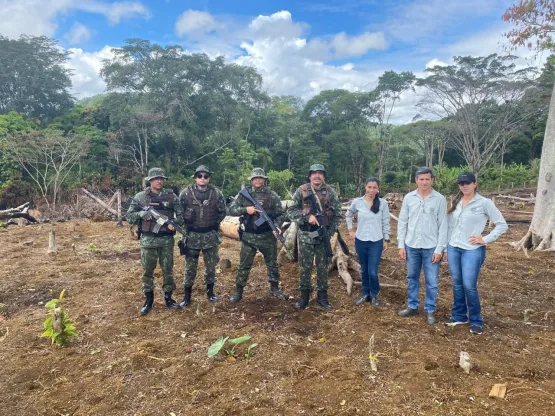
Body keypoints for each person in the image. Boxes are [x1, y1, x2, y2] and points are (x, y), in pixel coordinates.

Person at [444, 172, 508, 335]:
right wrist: (445, 247)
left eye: (467, 183)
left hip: (472, 250)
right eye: (461, 183)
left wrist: (485, 239)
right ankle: (459, 315)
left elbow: (502, 225)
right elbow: (450, 226)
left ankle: (476, 320)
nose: (464, 186)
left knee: (469, 286)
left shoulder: (484, 203)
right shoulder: (456, 201)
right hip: (454, 247)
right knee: (457, 283)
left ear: (475, 184)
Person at [126, 167, 184, 315]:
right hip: (148, 240)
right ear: (150, 180)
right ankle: (148, 300)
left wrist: (173, 223)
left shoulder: (171, 196)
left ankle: (168, 298)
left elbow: (182, 216)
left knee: (168, 270)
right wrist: (142, 213)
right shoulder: (140, 197)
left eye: (161, 178)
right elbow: (129, 217)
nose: (159, 181)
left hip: (166, 240)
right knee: (147, 271)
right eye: (156, 178)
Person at [228, 168, 287, 303]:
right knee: (244, 265)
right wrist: (245, 210)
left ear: (264, 180)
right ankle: (238, 291)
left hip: (267, 236)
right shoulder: (244, 194)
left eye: (260, 178)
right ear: (251, 180)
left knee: (272, 264)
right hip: (249, 236)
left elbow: (281, 213)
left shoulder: (272, 195)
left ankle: (274, 288)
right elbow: (231, 209)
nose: (258, 180)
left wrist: (277, 225)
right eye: (255, 178)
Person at [397, 167, 448, 325]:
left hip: (431, 247)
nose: (424, 182)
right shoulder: (409, 198)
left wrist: (440, 249)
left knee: (431, 280)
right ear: (416, 180)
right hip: (411, 245)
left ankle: (430, 309)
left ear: (432, 180)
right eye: (421, 179)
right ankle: (412, 306)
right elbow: (402, 222)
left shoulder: (439, 199)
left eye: (427, 179)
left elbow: (443, 225)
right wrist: (401, 245)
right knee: (412, 277)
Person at [287, 164, 342, 309]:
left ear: (323, 176)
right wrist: (307, 218)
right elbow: (291, 211)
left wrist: (328, 233)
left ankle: (322, 297)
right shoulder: (302, 190)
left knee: (323, 267)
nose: (317, 176)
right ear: (309, 176)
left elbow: (337, 215)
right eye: (314, 173)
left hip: (323, 237)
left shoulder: (330, 192)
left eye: (320, 173)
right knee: (305, 267)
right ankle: (304, 296)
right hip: (306, 236)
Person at [178, 165, 226, 306]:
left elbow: (223, 211)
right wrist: (185, 226)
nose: (202, 179)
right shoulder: (185, 193)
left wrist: (214, 225)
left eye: (205, 176)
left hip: (210, 235)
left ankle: (210, 293)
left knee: (210, 267)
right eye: (200, 176)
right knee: (190, 267)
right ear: (195, 177)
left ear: (209, 178)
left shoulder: (216, 193)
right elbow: (179, 213)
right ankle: (187, 296)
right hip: (192, 235)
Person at [346, 177, 390, 306]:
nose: (372, 190)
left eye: (374, 187)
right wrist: (351, 230)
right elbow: (348, 215)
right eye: (369, 187)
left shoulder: (383, 203)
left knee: (372, 270)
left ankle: (374, 294)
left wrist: (386, 239)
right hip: (360, 241)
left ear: (378, 189)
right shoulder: (357, 202)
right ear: (365, 187)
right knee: (364, 269)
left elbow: (385, 222)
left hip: (376, 241)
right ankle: (365, 293)